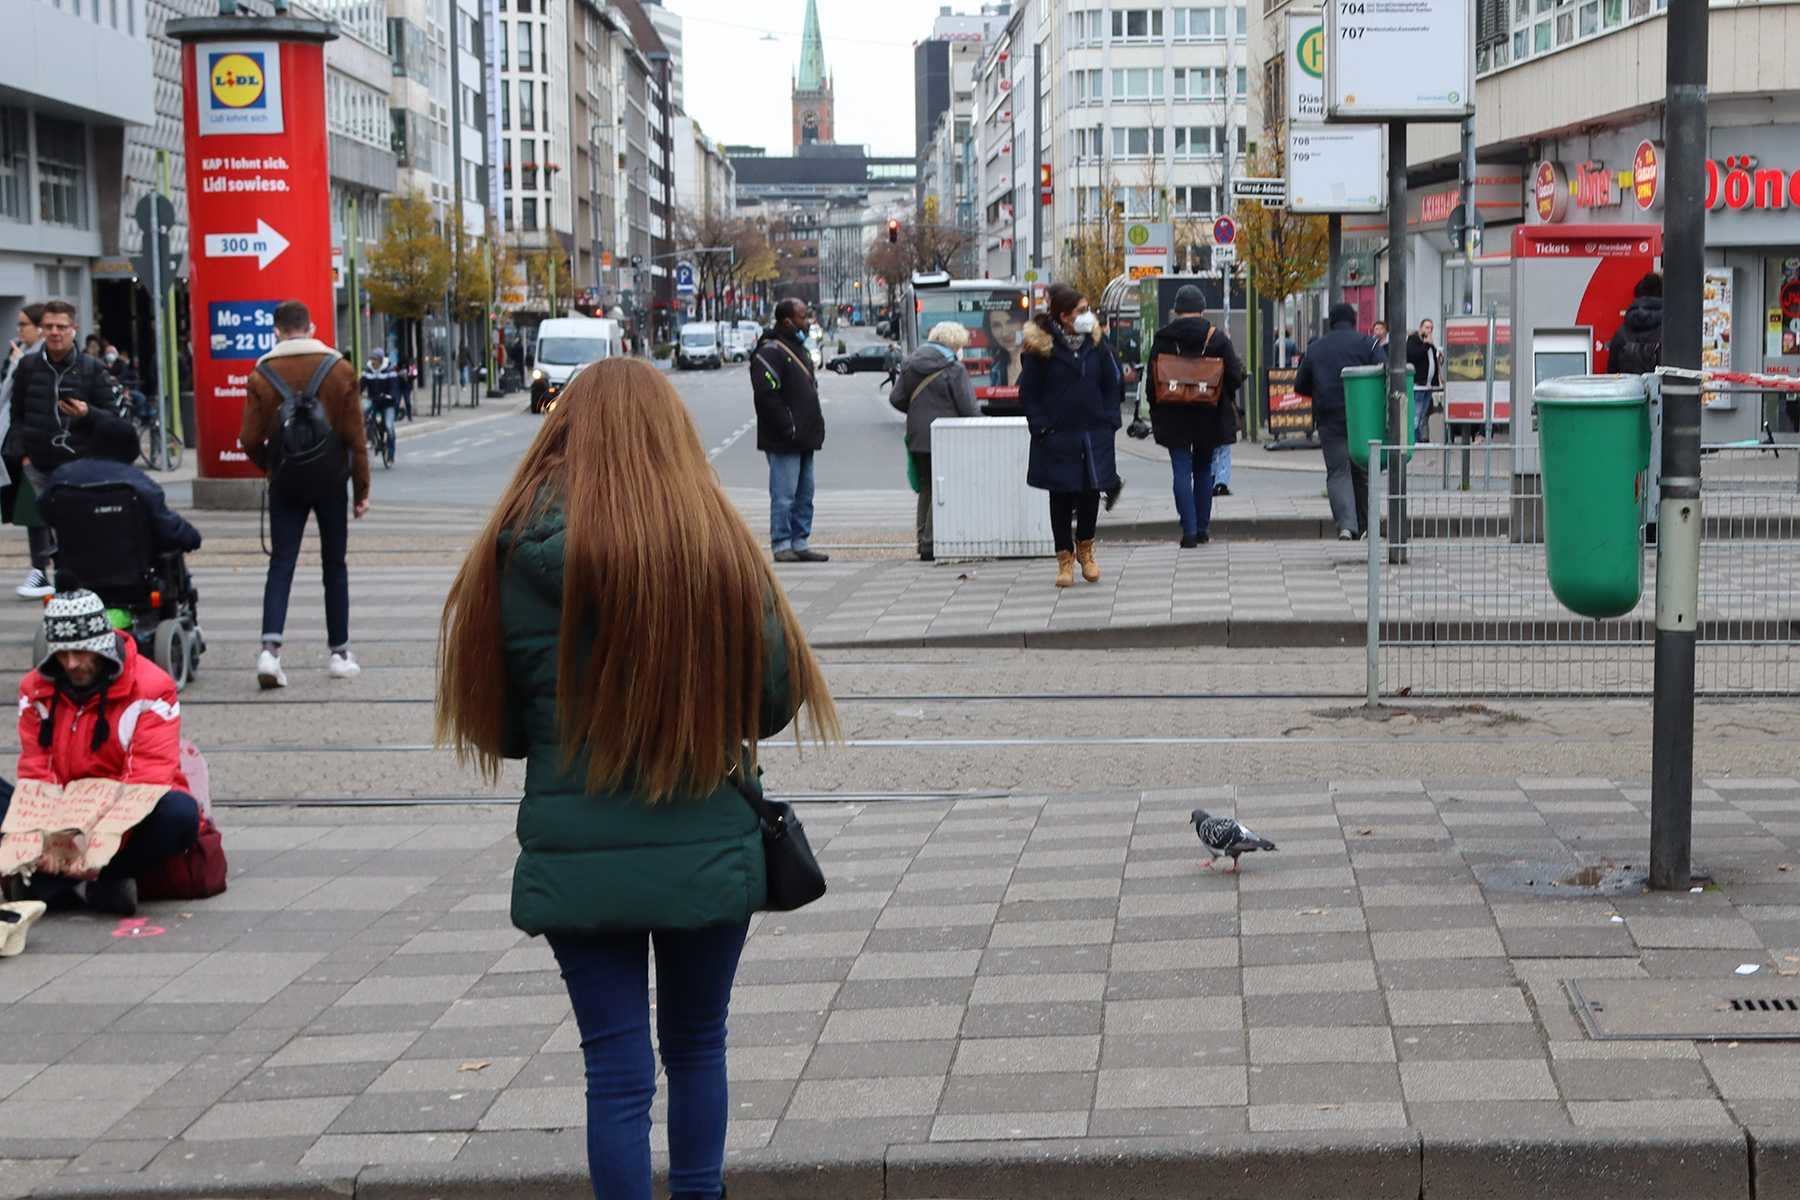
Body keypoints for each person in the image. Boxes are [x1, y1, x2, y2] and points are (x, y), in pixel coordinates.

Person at [435, 358, 839, 1200]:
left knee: (614, 1073)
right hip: (705, 839)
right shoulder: (716, 542)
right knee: (698, 1045)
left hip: (576, 853)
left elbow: (503, 730)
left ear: (564, 431)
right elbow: (770, 702)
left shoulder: (508, 553)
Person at [6, 589, 199, 918]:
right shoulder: (35, 689)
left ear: (102, 646)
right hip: (61, 808)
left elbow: (146, 780)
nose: (71, 664)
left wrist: (92, 847)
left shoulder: (152, 688)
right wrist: (46, 836)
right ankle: (78, 883)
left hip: (121, 814)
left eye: (81, 652)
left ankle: (83, 879)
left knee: (180, 814)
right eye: (62, 654)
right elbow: (38, 773)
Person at [239, 299, 371, 689]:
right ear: (311, 327)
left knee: (281, 565)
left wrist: (271, 464)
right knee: (335, 565)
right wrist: (361, 489)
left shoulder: (262, 374)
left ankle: (270, 651)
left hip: (286, 483)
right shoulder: (340, 368)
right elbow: (356, 437)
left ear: (277, 330)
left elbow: (248, 438)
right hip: (331, 481)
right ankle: (339, 653)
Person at [8, 301, 133, 599]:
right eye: (48, 326)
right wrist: (22, 452)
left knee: (76, 530)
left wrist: (87, 413)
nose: (54, 333)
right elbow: (17, 414)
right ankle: (48, 580)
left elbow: (115, 420)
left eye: (61, 327)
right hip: (38, 464)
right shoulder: (28, 366)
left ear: (74, 329)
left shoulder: (91, 369)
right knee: (44, 523)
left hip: (78, 466)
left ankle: (79, 590)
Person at [1020, 282, 1121, 588]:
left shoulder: (1096, 343)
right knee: (1061, 496)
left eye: (1087, 309)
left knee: (1092, 492)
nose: (1087, 315)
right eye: (1081, 310)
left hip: (1093, 433)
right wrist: (1041, 426)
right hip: (1058, 434)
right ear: (1064, 316)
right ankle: (1064, 559)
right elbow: (1029, 393)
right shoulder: (1041, 348)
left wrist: (1109, 420)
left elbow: (1111, 382)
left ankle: (1086, 551)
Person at [1143, 286, 1246, 548]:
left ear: (1177, 309)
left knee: (1180, 469)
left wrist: (1156, 409)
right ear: (1202, 308)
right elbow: (1234, 376)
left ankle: (1187, 531)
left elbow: (1152, 382)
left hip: (1173, 414)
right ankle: (1202, 528)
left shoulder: (1163, 338)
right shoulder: (1217, 338)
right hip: (1209, 414)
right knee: (1203, 469)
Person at [890, 321, 979, 561]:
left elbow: (896, 398)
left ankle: (922, 540)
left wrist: (918, 410)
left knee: (927, 487)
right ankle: (930, 543)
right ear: (953, 344)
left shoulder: (910, 363)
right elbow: (968, 408)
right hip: (945, 436)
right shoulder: (953, 368)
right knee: (942, 487)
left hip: (918, 435)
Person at [1296, 303, 1384, 541]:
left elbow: (1300, 385)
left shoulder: (1316, 349)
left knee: (1338, 472)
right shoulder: (1368, 344)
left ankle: (1346, 524)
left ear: (1331, 321)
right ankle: (1367, 525)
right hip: (1363, 417)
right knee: (1363, 471)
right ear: (1354, 320)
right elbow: (1382, 372)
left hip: (1329, 418)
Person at [751, 299, 828, 563]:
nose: (806, 322)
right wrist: (788, 426)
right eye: (803, 317)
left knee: (805, 495)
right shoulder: (770, 351)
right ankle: (782, 543)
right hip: (784, 438)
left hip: (804, 436)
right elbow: (765, 394)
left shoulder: (799, 349)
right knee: (784, 496)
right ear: (787, 321)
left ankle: (800, 541)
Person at [40, 446, 203, 559]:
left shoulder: (63, 477)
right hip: (133, 577)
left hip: (76, 570)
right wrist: (191, 538)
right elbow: (167, 525)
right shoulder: (138, 482)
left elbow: (44, 509)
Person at [1608, 272, 1664, 374]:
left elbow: (1612, 375)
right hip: (1659, 389)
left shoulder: (1621, 333)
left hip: (1628, 389)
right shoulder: (1671, 332)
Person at [1406, 318, 1443, 443]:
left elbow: (1433, 361)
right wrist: (1426, 344)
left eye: (1431, 328)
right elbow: (1413, 355)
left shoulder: (1430, 343)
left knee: (1423, 415)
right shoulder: (1413, 340)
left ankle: (1419, 438)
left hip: (1428, 385)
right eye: (1427, 327)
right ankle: (1413, 439)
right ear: (1420, 328)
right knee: (1416, 413)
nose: (1429, 330)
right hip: (1418, 384)